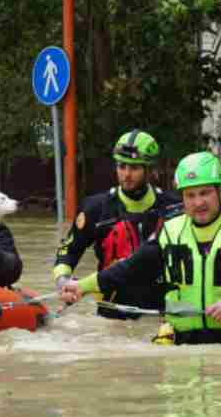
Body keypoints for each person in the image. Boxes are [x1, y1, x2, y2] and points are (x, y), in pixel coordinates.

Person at [60, 150, 221, 345]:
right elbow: (129, 268)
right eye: (190, 195)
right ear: (182, 197)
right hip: (181, 346)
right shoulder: (169, 232)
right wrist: (82, 286)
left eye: (205, 193)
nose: (198, 203)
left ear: (220, 190)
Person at [53, 129, 181, 317]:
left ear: (150, 170)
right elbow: (68, 251)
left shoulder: (173, 208)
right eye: (122, 166)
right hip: (112, 310)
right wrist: (64, 282)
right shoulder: (95, 208)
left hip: (161, 311)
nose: (126, 174)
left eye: (134, 168)